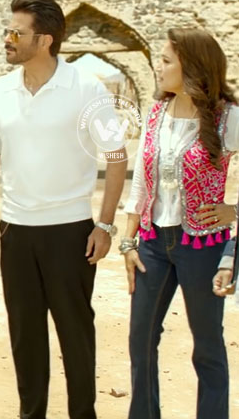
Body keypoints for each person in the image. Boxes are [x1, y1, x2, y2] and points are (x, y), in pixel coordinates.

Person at [0, 0, 127, 419]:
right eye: (8, 31)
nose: (7, 39)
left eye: (16, 33)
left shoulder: (87, 88)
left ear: (44, 40)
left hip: (70, 233)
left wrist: (105, 225)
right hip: (15, 231)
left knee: (75, 335)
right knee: (25, 337)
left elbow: (116, 157)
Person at [121, 27, 239, 419]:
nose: (159, 67)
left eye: (166, 60)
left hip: (204, 246)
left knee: (207, 347)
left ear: (191, 67)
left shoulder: (228, 117)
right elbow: (141, 180)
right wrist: (128, 241)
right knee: (140, 340)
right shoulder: (157, 112)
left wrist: (234, 210)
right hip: (153, 243)